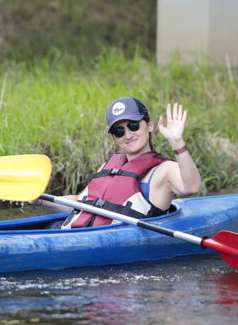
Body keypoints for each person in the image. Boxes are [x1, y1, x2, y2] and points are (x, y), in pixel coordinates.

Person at [38, 97, 201, 228]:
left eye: (133, 126)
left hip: (113, 241)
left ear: (150, 125)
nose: (128, 135)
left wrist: (177, 142)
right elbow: (80, 203)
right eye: (119, 131)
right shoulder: (108, 167)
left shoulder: (164, 169)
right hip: (78, 234)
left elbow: (191, 187)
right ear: (114, 138)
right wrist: (38, 199)